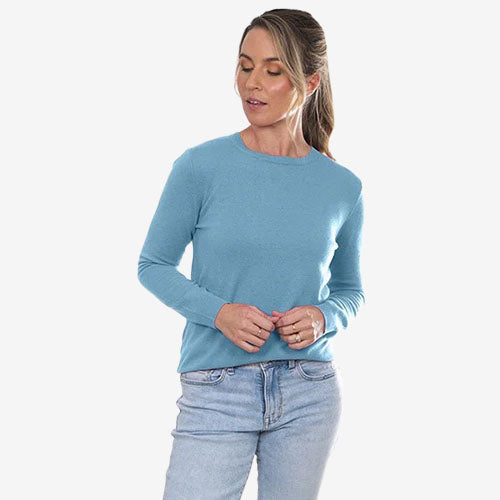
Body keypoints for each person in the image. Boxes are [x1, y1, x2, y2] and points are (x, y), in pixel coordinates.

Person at [137, 8, 365, 500]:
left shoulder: (342, 186)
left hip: (309, 390)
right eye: (245, 66)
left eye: (272, 70)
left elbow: (350, 290)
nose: (252, 83)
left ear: (310, 82)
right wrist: (219, 313)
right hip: (216, 388)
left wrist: (323, 318)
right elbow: (153, 265)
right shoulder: (200, 167)